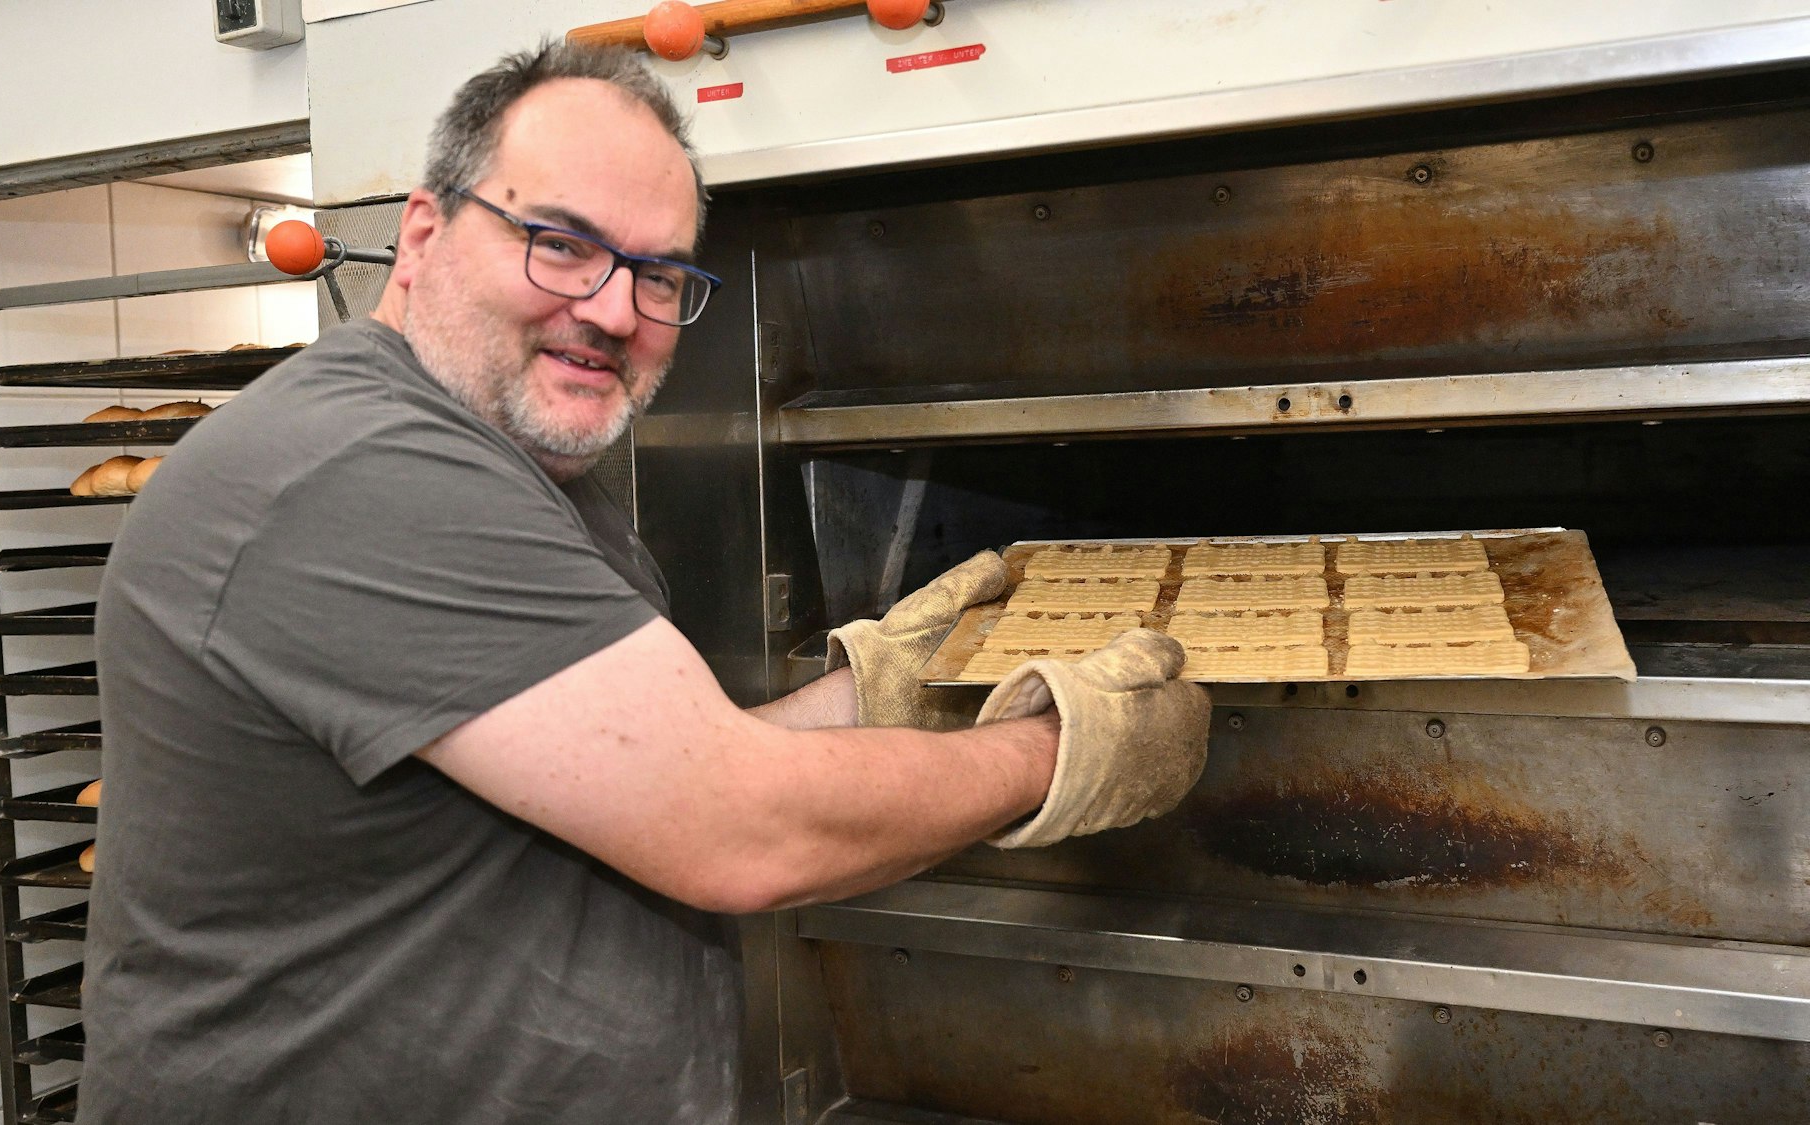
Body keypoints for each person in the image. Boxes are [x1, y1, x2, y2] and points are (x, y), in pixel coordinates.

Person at [79, 41, 1210, 1125]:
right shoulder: (363, 472)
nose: (615, 310)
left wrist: (886, 686)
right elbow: (738, 830)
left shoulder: (510, 467)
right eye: (559, 243)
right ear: (421, 232)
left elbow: (639, 773)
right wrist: (1056, 749)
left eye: (656, 273)